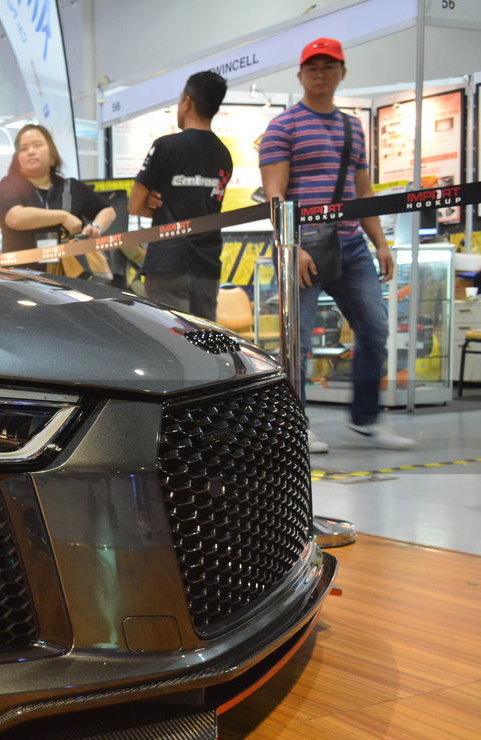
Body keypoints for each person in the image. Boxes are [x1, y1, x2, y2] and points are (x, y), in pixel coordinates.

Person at [260, 37, 413, 452]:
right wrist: (292, 248)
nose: (321, 75)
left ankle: (365, 420)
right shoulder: (283, 126)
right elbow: (274, 194)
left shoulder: (352, 127)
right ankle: (296, 426)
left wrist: (379, 241)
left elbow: (362, 192)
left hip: (351, 244)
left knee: (376, 328)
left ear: (342, 73)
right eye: (313, 68)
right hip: (303, 244)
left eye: (329, 67)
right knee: (299, 342)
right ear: (300, 75)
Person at [129, 71, 233, 320]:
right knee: (208, 346)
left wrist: (152, 205)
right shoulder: (223, 154)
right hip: (207, 265)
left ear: (187, 101)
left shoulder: (166, 146)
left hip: (167, 262)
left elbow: (134, 206)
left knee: (172, 347)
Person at [0, 124, 114, 273]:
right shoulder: (9, 184)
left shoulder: (71, 187)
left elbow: (108, 211)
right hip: (21, 278)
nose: (30, 152)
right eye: (23, 148)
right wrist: (63, 216)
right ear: (17, 158)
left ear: (52, 155)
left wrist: (96, 227)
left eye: (37, 145)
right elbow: (15, 217)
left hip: (71, 279)